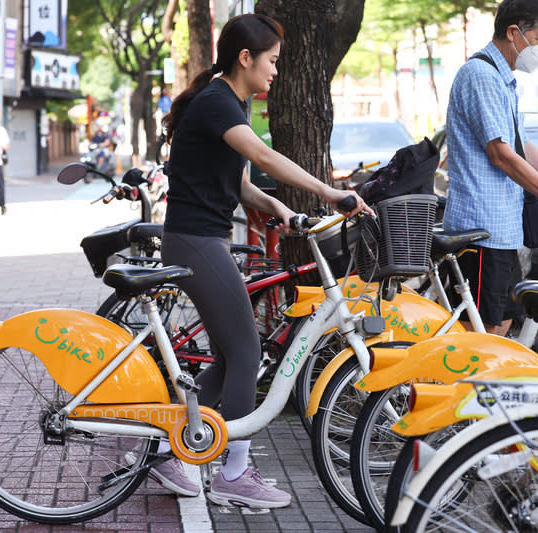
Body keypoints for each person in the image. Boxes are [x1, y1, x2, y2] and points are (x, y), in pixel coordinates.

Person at [153, 13, 369, 508]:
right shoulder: (217, 103)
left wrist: (283, 210)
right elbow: (267, 160)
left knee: (231, 355)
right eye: (271, 61)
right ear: (245, 59)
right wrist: (329, 191)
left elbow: (243, 183)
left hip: (201, 239)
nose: (275, 71)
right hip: (195, 242)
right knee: (248, 352)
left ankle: (172, 451)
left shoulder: (229, 102)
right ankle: (233, 472)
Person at [443, 0, 538, 337]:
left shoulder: (503, 79)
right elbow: (502, 155)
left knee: (501, 324)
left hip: (501, 228)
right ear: (514, 33)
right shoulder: (481, 76)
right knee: (484, 334)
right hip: (481, 229)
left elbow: (521, 146)